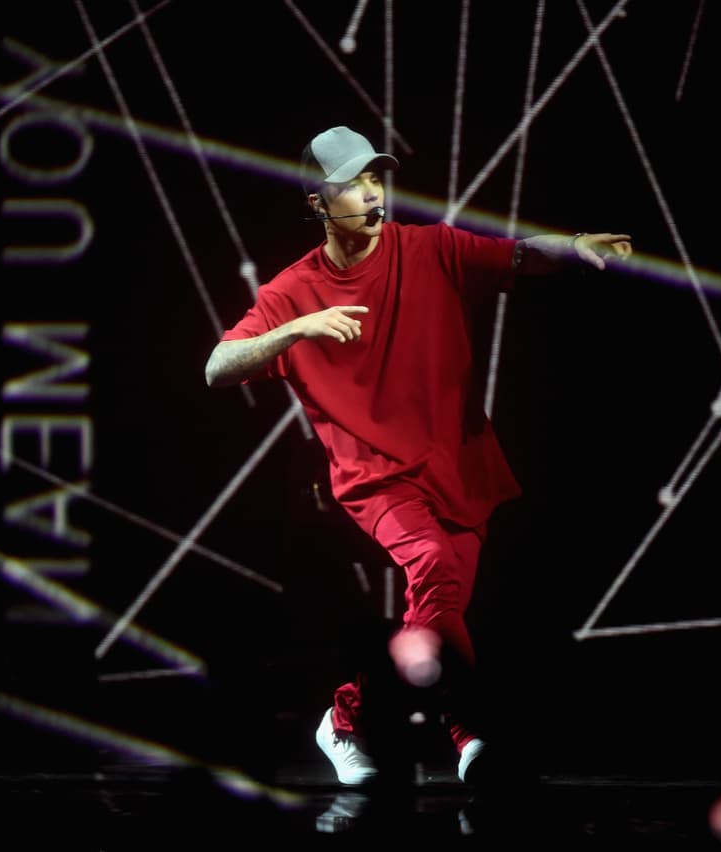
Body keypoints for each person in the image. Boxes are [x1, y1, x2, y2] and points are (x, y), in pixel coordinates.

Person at [204, 125, 632, 788]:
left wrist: (574, 247)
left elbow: (516, 257)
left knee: (438, 607)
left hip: (459, 465)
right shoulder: (294, 290)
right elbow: (217, 366)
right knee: (431, 566)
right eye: (352, 184)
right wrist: (294, 328)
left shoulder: (430, 249)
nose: (372, 194)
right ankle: (459, 730)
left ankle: (360, 721)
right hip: (375, 480)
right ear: (318, 203)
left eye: (377, 179)